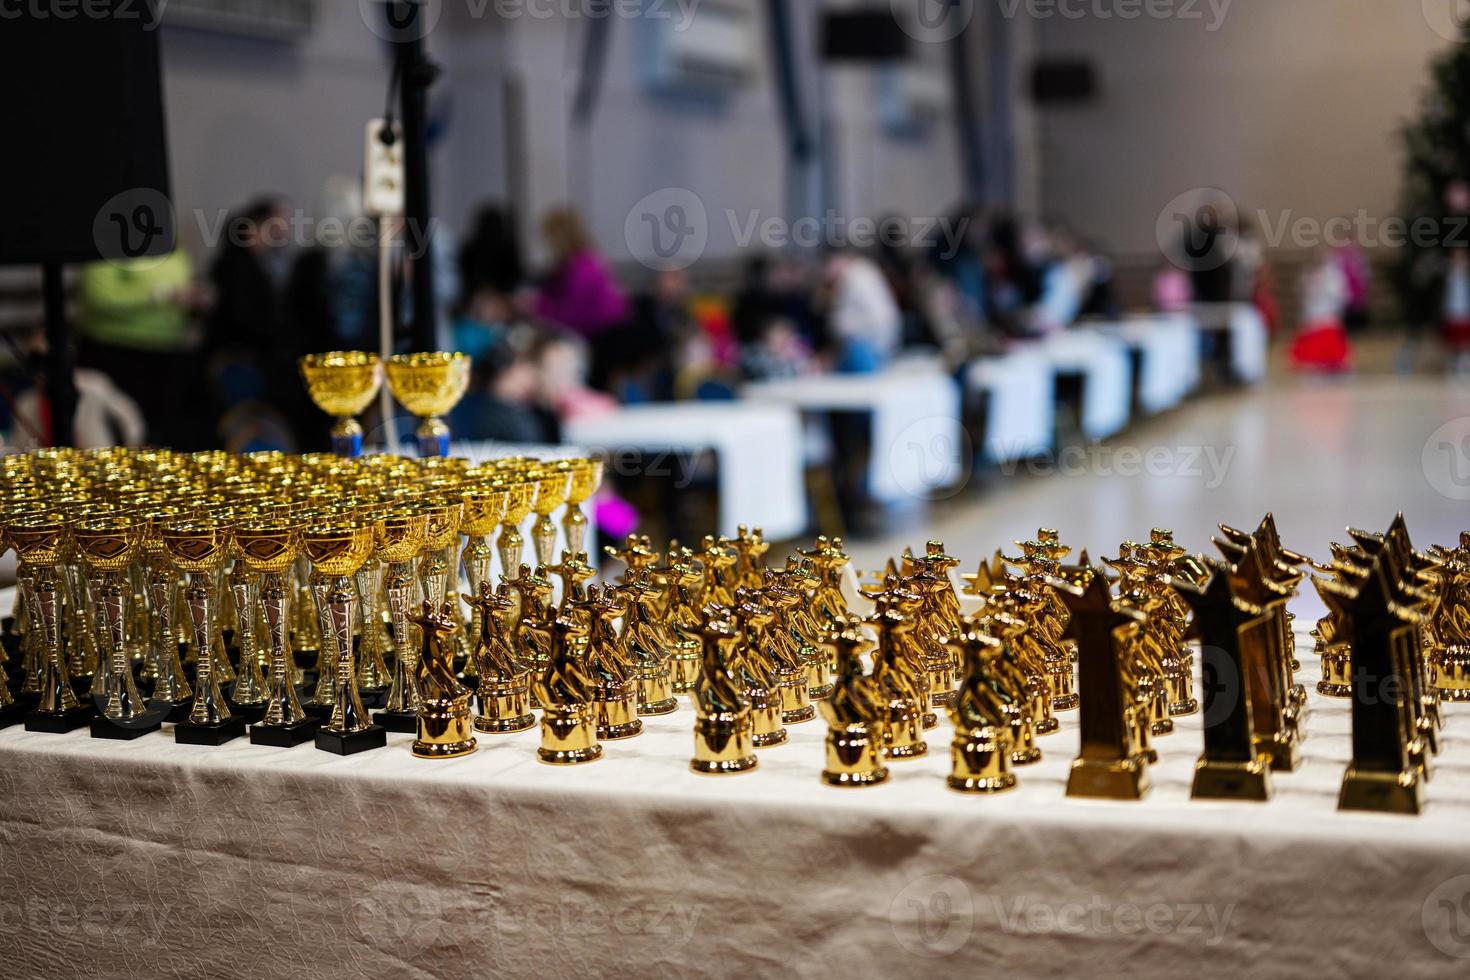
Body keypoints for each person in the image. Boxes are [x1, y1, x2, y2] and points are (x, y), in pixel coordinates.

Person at [74, 247, 202, 444]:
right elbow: (101, 297)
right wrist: (162, 296)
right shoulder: (107, 239)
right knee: (120, 434)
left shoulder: (167, 239)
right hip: (117, 351)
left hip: (167, 350)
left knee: (165, 434)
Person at [533, 207, 629, 338]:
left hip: (605, 333)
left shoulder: (584, 268)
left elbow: (574, 317)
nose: (547, 245)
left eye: (548, 239)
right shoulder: (571, 265)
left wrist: (538, 309)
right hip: (596, 329)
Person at [821, 251, 902, 373]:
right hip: (882, 343)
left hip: (868, 347)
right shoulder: (865, 272)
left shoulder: (853, 277)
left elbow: (841, 325)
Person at [1288, 248, 1353, 373]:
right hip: (1313, 322)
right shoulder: (1306, 276)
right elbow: (1304, 298)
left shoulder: (1333, 277)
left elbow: (1341, 297)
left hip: (1328, 321)